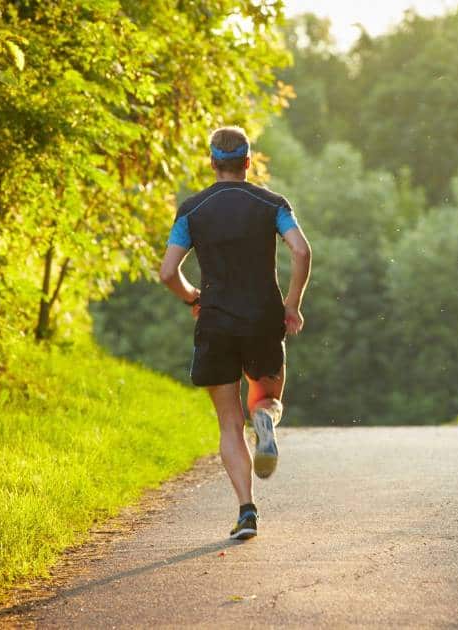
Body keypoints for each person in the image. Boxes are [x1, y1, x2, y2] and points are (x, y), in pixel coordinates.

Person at [159, 126, 311, 540]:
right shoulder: (271, 204)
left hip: (216, 323)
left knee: (229, 423)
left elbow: (168, 272)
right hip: (263, 319)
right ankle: (265, 419)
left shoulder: (192, 210)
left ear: (212, 162)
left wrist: (193, 297)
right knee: (267, 398)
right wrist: (292, 305)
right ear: (247, 162)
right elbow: (301, 250)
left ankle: (247, 511)